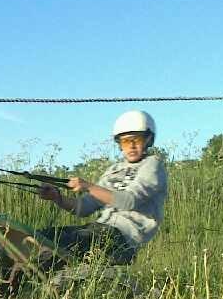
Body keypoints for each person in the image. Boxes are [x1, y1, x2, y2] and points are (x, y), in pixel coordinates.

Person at [35, 110, 168, 269]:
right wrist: (57, 198)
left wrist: (88, 186)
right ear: (119, 144)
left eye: (136, 139)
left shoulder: (152, 165)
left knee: (58, 247)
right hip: (98, 228)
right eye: (125, 141)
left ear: (148, 139)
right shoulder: (114, 170)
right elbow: (84, 208)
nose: (131, 146)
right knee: (40, 237)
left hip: (122, 239)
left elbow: (128, 201)